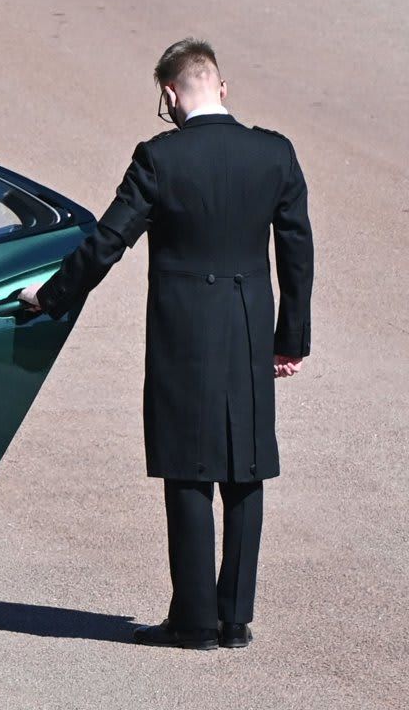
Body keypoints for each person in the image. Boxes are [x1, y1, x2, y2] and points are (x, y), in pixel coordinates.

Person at [20, 38, 313, 650]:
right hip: (248, 323)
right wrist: (291, 340)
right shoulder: (274, 154)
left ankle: (194, 620)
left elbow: (109, 240)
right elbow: (296, 254)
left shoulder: (159, 158)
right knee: (246, 470)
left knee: (189, 470)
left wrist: (51, 296)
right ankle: (235, 620)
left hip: (183, 330)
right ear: (222, 85)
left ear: (169, 95)